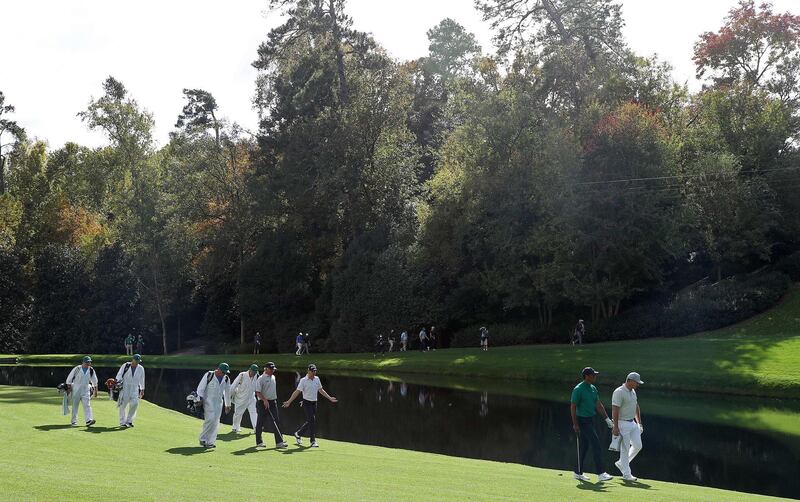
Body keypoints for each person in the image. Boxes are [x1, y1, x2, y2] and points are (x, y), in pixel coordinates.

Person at [570, 367, 614, 483]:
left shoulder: (593, 388)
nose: (595, 376)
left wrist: (607, 420)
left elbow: (598, 405)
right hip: (582, 420)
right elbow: (573, 407)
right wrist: (575, 424)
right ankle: (601, 473)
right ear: (587, 376)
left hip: (590, 419)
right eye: (593, 375)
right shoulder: (578, 389)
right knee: (596, 444)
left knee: (584, 446)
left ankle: (577, 472)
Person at [282, 364, 338, 448]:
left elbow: (321, 390)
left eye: (315, 371)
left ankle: (298, 433)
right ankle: (313, 441)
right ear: (308, 371)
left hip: (314, 403)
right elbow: (297, 392)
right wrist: (289, 401)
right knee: (312, 420)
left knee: (310, 421)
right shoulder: (303, 380)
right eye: (312, 371)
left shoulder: (317, 379)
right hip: (306, 403)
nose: (314, 372)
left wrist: (329, 398)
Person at [612, 372, 645, 482]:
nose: (638, 385)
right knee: (625, 449)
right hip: (622, 423)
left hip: (632, 424)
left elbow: (636, 406)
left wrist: (639, 423)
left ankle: (622, 463)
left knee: (638, 445)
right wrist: (615, 426)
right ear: (629, 380)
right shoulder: (619, 392)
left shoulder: (633, 391)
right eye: (636, 382)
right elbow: (615, 410)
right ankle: (626, 474)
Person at [196, 363, 232, 448]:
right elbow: (200, 388)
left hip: (219, 402)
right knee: (210, 419)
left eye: (225, 372)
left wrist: (228, 404)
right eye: (223, 372)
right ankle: (203, 439)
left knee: (216, 422)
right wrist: (199, 399)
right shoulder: (209, 375)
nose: (224, 374)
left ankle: (210, 442)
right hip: (208, 401)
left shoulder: (226, 378)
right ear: (218, 369)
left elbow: (227, 392)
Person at [255, 362, 287, 449]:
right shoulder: (261, 379)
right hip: (262, 403)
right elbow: (258, 392)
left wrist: (270, 401)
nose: (273, 371)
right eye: (271, 369)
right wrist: (265, 400)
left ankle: (279, 442)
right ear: (266, 369)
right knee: (260, 423)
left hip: (273, 402)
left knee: (276, 421)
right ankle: (259, 442)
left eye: (273, 369)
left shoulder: (273, 376)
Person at [65, 356, 98, 427]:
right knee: (75, 406)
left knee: (87, 405)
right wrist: (69, 387)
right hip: (76, 389)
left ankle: (88, 420)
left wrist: (96, 391)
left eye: (89, 362)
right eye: (87, 362)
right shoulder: (77, 368)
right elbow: (69, 378)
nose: (88, 363)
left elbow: (94, 381)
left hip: (86, 389)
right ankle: (74, 421)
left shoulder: (91, 370)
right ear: (83, 362)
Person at [115, 354, 145, 428]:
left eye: (138, 361)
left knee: (134, 404)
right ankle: (122, 422)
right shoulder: (125, 365)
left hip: (135, 388)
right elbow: (119, 374)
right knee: (123, 405)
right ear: (133, 360)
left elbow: (142, 379)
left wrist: (142, 389)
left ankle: (129, 421)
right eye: (136, 361)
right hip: (125, 387)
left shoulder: (141, 368)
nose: (137, 362)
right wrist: (118, 382)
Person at [230, 364, 259, 433]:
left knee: (254, 412)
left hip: (251, 397)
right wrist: (230, 396)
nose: (254, 374)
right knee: (238, 413)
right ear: (250, 370)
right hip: (241, 398)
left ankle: (256, 428)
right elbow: (234, 384)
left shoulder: (256, 376)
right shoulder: (242, 375)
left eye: (255, 372)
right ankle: (235, 427)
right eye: (253, 372)